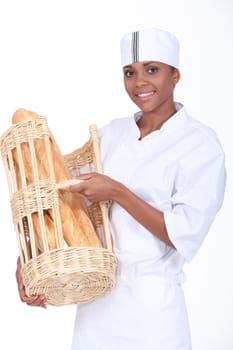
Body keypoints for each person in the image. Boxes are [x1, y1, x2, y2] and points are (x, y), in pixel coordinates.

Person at [16, 27, 226, 349]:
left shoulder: (199, 145)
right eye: (130, 72)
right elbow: (61, 202)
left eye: (152, 70)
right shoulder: (111, 135)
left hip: (153, 312)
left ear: (175, 75)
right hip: (97, 304)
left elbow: (184, 232)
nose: (139, 82)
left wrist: (118, 192)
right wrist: (28, 263)